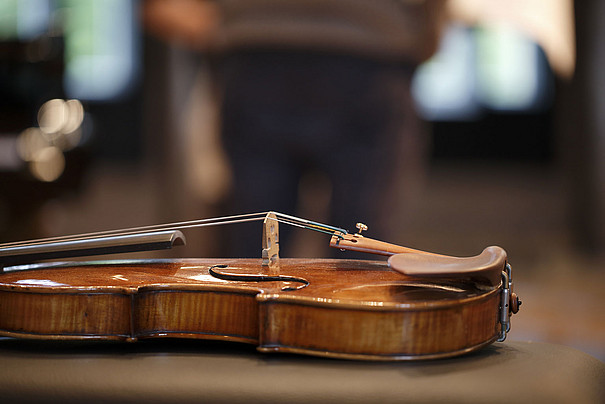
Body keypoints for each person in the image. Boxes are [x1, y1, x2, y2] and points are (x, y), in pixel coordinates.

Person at [143, 0, 447, 257]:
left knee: (255, 257)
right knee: (364, 256)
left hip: (257, 53)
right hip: (369, 51)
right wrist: (425, 32)